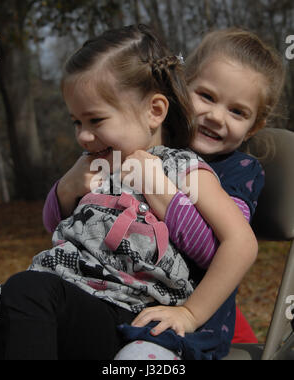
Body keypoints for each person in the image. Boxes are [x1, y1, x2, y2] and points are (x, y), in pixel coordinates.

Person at [0, 24, 257, 360]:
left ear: (155, 111)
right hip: (71, 299)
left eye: (96, 120)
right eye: (77, 122)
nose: (83, 137)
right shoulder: (94, 162)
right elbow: (52, 223)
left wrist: (191, 314)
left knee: (27, 291)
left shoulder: (182, 168)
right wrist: (68, 186)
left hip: (125, 313)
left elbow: (241, 243)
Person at [113, 27, 285, 359]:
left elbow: (216, 250)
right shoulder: (152, 142)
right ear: (181, 88)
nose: (216, 116)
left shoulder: (239, 173)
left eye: (237, 112)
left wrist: (157, 188)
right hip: (117, 294)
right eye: (206, 96)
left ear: (255, 125)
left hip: (184, 319)